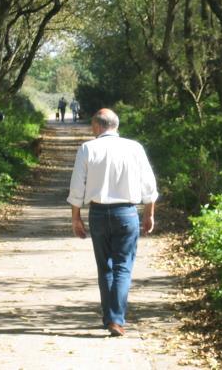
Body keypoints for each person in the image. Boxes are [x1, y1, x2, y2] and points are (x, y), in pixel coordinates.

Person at [67, 108, 158, 337]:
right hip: (126, 213)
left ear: (97, 126)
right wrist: (149, 213)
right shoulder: (134, 147)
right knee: (122, 267)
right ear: (115, 125)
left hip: (98, 213)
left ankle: (111, 318)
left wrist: (75, 217)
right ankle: (115, 320)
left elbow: (77, 186)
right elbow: (149, 185)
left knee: (105, 268)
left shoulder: (88, 148)